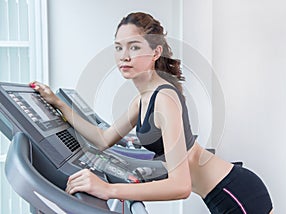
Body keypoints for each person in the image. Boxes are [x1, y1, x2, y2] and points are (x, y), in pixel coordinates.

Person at [30, 12, 273, 214]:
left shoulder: (164, 98)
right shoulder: (143, 99)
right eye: (118, 47)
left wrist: (108, 189)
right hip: (218, 194)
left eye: (134, 47)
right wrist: (59, 104)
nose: (124, 56)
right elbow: (104, 139)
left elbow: (181, 186)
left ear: (156, 53)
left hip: (233, 192)